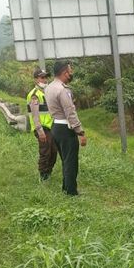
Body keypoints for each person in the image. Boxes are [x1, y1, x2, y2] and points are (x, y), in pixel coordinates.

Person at [45, 60, 87, 196]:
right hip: (65, 128)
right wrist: (80, 132)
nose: (71, 73)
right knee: (71, 162)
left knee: (65, 160)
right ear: (64, 73)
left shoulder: (49, 87)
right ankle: (71, 192)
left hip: (55, 127)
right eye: (70, 71)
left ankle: (66, 187)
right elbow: (70, 112)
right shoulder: (63, 90)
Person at [27, 67, 57, 181]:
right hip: (42, 128)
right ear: (36, 79)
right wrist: (40, 131)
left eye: (46, 77)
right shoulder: (35, 94)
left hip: (51, 127)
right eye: (42, 77)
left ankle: (48, 172)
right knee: (46, 152)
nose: (45, 80)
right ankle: (43, 176)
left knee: (54, 151)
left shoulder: (46, 92)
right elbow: (35, 115)